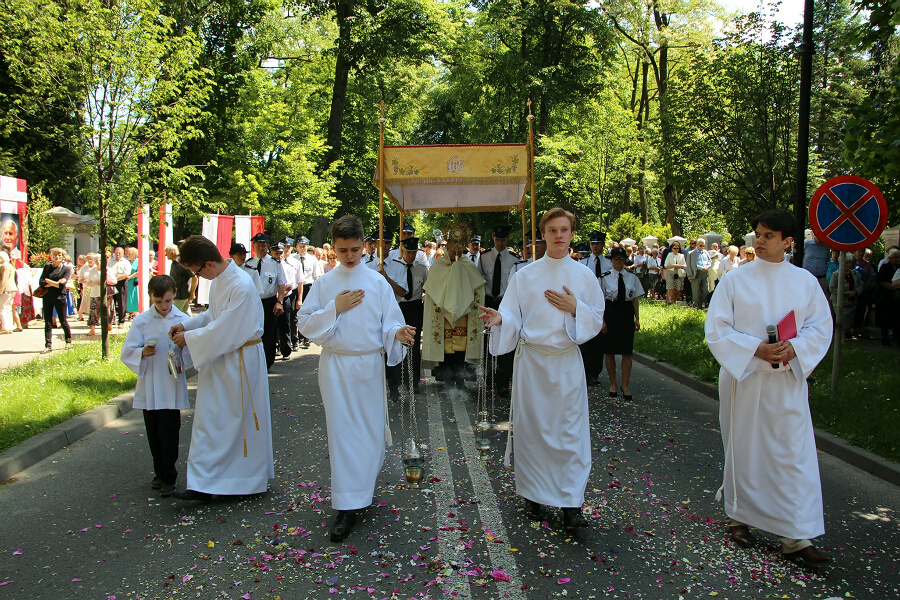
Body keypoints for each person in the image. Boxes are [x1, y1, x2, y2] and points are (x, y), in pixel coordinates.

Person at [705, 209, 833, 569]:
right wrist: (755, 348)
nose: (759, 241)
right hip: (745, 377)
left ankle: (796, 535)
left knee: (791, 455)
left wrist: (796, 348)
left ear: (788, 241)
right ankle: (738, 516)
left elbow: (820, 327)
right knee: (744, 447)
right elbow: (717, 329)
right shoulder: (735, 280)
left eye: (768, 235)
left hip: (786, 380)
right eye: (758, 234)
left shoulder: (805, 282)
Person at [478, 207, 604, 529]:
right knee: (533, 431)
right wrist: (500, 319)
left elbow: (596, 317)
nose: (559, 236)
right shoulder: (526, 275)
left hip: (566, 362)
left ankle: (571, 503)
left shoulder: (584, 276)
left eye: (564, 230)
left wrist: (576, 308)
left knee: (570, 432)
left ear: (572, 234)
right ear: (543, 234)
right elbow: (512, 315)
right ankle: (533, 496)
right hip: (533, 364)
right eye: (552, 230)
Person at [297, 215, 414, 542]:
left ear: (365, 245)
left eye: (354, 249)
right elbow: (304, 324)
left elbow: (389, 321)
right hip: (337, 366)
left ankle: (362, 488)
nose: (349, 256)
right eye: (342, 250)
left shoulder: (377, 282)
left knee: (370, 432)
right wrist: (334, 307)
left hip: (368, 366)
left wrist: (398, 332)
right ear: (333, 249)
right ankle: (346, 506)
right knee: (343, 433)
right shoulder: (325, 284)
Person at [168, 235, 274, 501]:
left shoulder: (241, 284)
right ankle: (205, 483)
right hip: (222, 358)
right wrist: (187, 325)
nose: (197, 276)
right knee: (211, 421)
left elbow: (227, 328)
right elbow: (213, 315)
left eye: (196, 271)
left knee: (235, 422)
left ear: (208, 264)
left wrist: (190, 339)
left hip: (240, 361)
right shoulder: (219, 279)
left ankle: (240, 482)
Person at [120, 275, 190, 497]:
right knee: (153, 432)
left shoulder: (183, 319)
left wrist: (183, 347)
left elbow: (193, 350)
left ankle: (170, 475)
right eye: (158, 301)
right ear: (151, 297)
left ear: (174, 294)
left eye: (168, 301)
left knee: (169, 432)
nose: (163, 306)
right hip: (150, 382)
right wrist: (141, 352)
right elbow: (127, 350)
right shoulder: (142, 320)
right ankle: (159, 472)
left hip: (171, 382)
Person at [422, 224, 485, 384]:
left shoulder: (468, 265)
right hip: (443, 316)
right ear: (447, 247)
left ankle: (461, 379)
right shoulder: (438, 266)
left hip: (464, 315)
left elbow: (478, 286)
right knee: (446, 348)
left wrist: (460, 273)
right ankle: (447, 380)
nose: (456, 252)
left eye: (459, 248)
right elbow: (432, 289)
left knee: (461, 348)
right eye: (453, 248)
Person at [383, 236, 428, 396]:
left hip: (415, 307)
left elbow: (426, 288)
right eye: (408, 252)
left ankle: (413, 382)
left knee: (414, 347)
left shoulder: (422, 268)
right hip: (398, 307)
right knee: (396, 344)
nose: (411, 256)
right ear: (402, 252)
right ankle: (395, 381)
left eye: (414, 253)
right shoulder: (393, 267)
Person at [478, 225, 518, 395]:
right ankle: (489, 381)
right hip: (489, 302)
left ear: (507, 239)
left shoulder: (515, 260)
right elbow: (479, 281)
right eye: (497, 239)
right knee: (488, 341)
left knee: (507, 342)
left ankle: (503, 383)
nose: (500, 243)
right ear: (493, 238)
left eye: (503, 240)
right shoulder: (483, 257)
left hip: (506, 302)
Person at [601, 246, 644, 399]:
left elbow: (635, 299)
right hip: (611, 312)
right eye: (616, 259)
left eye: (621, 259)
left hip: (626, 313)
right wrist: (602, 321)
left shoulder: (632, 277)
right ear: (611, 260)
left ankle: (625, 385)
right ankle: (613, 383)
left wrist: (637, 319)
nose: (619, 262)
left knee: (627, 351)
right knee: (610, 351)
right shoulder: (604, 278)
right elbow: (600, 301)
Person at [244, 233, 288, 370]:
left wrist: (279, 302)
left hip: (269, 302)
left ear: (268, 247)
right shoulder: (248, 264)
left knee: (269, 333)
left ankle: (267, 363)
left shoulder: (275, 263)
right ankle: (253, 362)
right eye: (258, 245)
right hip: (252, 302)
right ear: (253, 247)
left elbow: (281, 284)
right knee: (252, 333)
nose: (261, 248)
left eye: (263, 245)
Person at [579, 230, 612, 385]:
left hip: (604, 304)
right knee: (586, 340)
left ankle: (595, 373)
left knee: (599, 342)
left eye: (598, 243)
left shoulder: (609, 263)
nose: (595, 246)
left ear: (603, 244)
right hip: (587, 304)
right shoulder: (583, 263)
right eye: (593, 243)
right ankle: (585, 372)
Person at [38, 248, 73, 352]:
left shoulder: (65, 269)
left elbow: (62, 284)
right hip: (47, 297)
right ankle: (48, 345)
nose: (57, 257)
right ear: (52, 256)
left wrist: (49, 281)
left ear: (63, 257)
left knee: (63, 321)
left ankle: (68, 341)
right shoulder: (47, 267)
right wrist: (55, 283)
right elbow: (41, 282)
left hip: (60, 297)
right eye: (55, 255)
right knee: (48, 322)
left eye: (59, 255)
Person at [293, 236, 320, 349]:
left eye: (304, 246)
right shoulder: (293, 258)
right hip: (296, 287)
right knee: (296, 314)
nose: (303, 248)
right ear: (297, 247)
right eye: (301, 246)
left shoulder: (312, 259)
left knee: (308, 313)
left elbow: (316, 276)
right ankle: (296, 339)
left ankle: (306, 337)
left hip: (308, 287)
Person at [829, 252, 861, 340]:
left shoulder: (855, 273)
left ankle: (847, 334)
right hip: (839, 302)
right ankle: (841, 337)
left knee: (850, 319)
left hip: (851, 301)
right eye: (846, 262)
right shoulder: (836, 274)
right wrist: (844, 293)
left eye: (849, 262)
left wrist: (855, 291)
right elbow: (832, 287)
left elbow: (860, 285)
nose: (848, 264)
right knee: (842, 319)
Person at [876, 249, 900, 346]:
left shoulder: (898, 267)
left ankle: (896, 337)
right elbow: (882, 281)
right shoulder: (885, 267)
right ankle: (884, 338)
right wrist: (893, 287)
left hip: (896, 298)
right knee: (885, 319)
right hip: (885, 296)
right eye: (896, 257)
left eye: (899, 257)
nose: (898, 259)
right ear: (890, 258)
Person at [166, 244, 196, 316]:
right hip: (177, 294)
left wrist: (192, 292)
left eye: (166, 253)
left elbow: (194, 277)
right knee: (185, 313)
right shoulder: (174, 263)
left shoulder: (182, 263)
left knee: (173, 314)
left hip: (181, 295)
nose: (165, 255)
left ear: (172, 253)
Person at [686, 238, 711, 309]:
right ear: (697, 245)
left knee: (706, 290)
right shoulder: (691, 253)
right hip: (696, 273)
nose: (702, 247)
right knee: (695, 291)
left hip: (705, 273)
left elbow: (709, 262)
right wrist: (690, 276)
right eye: (701, 245)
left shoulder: (706, 252)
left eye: (703, 246)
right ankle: (696, 306)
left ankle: (701, 303)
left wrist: (706, 267)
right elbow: (689, 265)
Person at [85, 253, 102, 336]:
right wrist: (94, 283)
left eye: (100, 260)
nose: (98, 262)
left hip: (105, 294)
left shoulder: (107, 269)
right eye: (96, 260)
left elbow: (114, 281)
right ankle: (92, 330)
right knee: (93, 312)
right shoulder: (92, 271)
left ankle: (108, 328)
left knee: (106, 312)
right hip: (94, 294)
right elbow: (87, 283)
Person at [0, 251, 16, 333]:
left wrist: (0, 290)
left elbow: (4, 279)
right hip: (12, 289)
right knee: (8, 308)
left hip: (6, 289)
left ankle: (5, 327)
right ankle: (9, 327)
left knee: (2, 308)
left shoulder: (4, 266)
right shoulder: (10, 265)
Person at [126, 247, 140, 318]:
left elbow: (138, 272)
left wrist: (130, 277)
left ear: (134, 254)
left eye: (130, 254)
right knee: (128, 296)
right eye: (127, 253)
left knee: (134, 296)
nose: (128, 255)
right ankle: (130, 311)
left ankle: (135, 312)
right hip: (128, 281)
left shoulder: (138, 261)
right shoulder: (127, 262)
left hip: (134, 281)